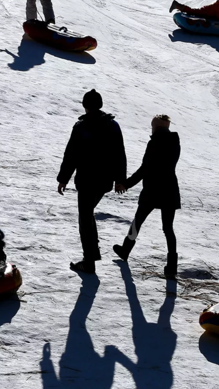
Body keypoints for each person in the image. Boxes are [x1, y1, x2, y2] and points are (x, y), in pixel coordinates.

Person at [57, 89, 127, 274]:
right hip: (104, 181)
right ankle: (91, 255)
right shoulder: (113, 126)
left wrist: (63, 179)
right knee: (87, 215)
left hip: (87, 181)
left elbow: (71, 155)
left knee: (85, 217)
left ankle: (89, 262)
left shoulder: (81, 127)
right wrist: (120, 180)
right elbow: (120, 154)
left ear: (85, 105)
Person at [113, 115, 181, 279]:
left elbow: (145, 169)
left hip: (153, 190)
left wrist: (126, 184)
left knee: (138, 221)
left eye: (153, 126)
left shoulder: (155, 143)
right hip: (170, 189)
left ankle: (125, 250)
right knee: (168, 228)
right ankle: (171, 266)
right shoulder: (175, 142)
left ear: (156, 127)